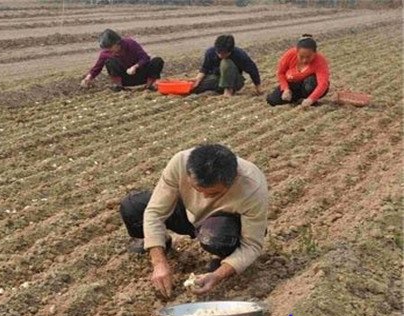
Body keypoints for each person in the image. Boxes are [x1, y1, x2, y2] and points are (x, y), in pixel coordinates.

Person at [119, 144, 268, 297]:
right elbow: (155, 212)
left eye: (213, 193)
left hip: (221, 223)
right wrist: (159, 263)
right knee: (133, 207)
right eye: (197, 189)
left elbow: (252, 245)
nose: (203, 197)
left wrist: (217, 275)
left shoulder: (252, 188)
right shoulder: (180, 162)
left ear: (233, 180)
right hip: (187, 213)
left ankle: (226, 258)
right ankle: (161, 241)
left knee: (217, 238)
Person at [80, 29, 164, 92]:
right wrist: (88, 78)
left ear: (117, 43)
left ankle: (149, 86)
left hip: (141, 75)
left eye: (110, 47)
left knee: (157, 61)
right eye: (107, 48)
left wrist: (135, 66)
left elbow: (145, 58)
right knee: (110, 62)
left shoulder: (130, 44)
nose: (109, 50)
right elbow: (97, 68)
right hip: (125, 79)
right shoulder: (106, 53)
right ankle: (119, 87)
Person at [266, 34, 330, 107]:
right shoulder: (289, 55)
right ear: (297, 52)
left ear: (315, 53)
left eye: (308, 57)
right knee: (272, 100)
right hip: (293, 84)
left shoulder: (320, 61)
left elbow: (323, 84)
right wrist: (285, 89)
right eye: (301, 57)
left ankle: (309, 100)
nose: (304, 60)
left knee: (311, 83)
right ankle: (298, 99)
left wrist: (311, 99)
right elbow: (281, 73)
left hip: (308, 86)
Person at [191, 34, 262, 96]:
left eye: (224, 53)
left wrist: (258, 88)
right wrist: (197, 79)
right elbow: (205, 68)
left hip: (234, 80)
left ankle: (228, 91)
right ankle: (217, 89)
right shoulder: (210, 52)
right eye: (218, 52)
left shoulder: (240, 55)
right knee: (196, 87)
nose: (220, 55)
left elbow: (253, 70)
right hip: (217, 78)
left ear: (230, 50)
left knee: (226, 62)